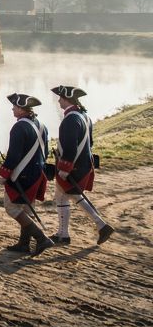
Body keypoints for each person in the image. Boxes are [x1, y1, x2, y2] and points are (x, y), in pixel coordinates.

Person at [49, 85, 114, 246]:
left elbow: (71, 147)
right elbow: (89, 143)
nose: (58, 101)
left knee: (67, 196)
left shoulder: (70, 119)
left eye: (60, 98)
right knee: (68, 195)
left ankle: (68, 234)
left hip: (73, 166)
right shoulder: (84, 116)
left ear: (67, 99)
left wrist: (65, 168)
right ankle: (68, 233)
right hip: (82, 165)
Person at [0, 92, 54, 256]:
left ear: (22, 109)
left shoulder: (19, 127)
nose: (12, 109)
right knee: (27, 208)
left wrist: (4, 174)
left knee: (11, 207)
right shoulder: (42, 125)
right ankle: (24, 244)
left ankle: (41, 238)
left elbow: (13, 156)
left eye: (14, 106)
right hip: (37, 174)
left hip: (22, 175)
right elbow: (45, 152)